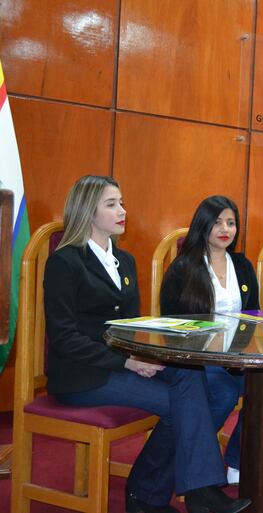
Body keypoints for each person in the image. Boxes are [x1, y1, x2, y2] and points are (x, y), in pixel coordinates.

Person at [44, 176, 250, 513]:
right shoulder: (65, 262)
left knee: (189, 376)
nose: (122, 210)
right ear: (87, 211)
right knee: (181, 402)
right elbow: (64, 338)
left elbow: (130, 328)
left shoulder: (124, 262)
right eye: (112, 204)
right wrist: (127, 362)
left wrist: (144, 353)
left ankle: (174, 494)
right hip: (83, 376)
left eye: (121, 202)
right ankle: (170, 494)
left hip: (120, 363)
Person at [160, 196, 258, 486]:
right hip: (197, 362)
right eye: (217, 222)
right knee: (225, 394)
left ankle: (236, 462)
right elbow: (170, 326)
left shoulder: (242, 265)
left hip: (236, 359)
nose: (225, 229)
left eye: (231, 223)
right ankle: (189, 459)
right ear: (202, 225)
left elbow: (253, 316)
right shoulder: (184, 268)